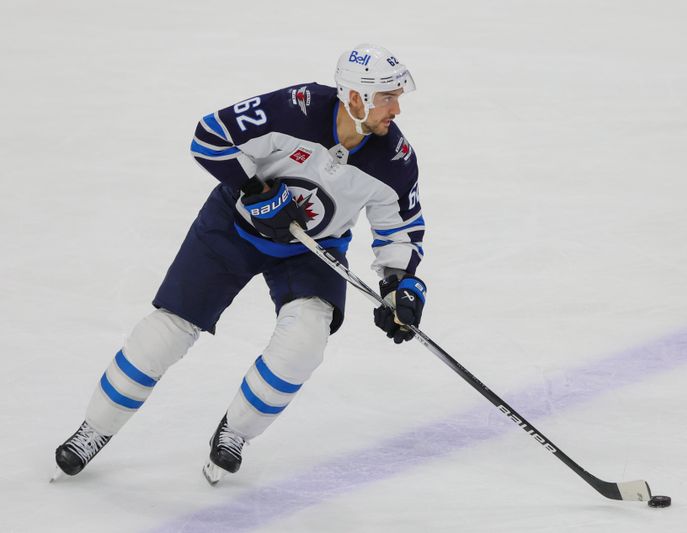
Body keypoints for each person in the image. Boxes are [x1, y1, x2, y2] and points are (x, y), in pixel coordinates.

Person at [53, 43, 427, 485]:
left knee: (306, 341)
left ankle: (236, 434)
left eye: (397, 96)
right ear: (354, 97)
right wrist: (257, 189)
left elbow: (399, 231)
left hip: (310, 249)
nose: (397, 109)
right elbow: (209, 136)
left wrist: (401, 286)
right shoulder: (295, 109)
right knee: (165, 332)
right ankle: (93, 430)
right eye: (387, 97)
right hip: (232, 226)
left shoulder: (395, 161)